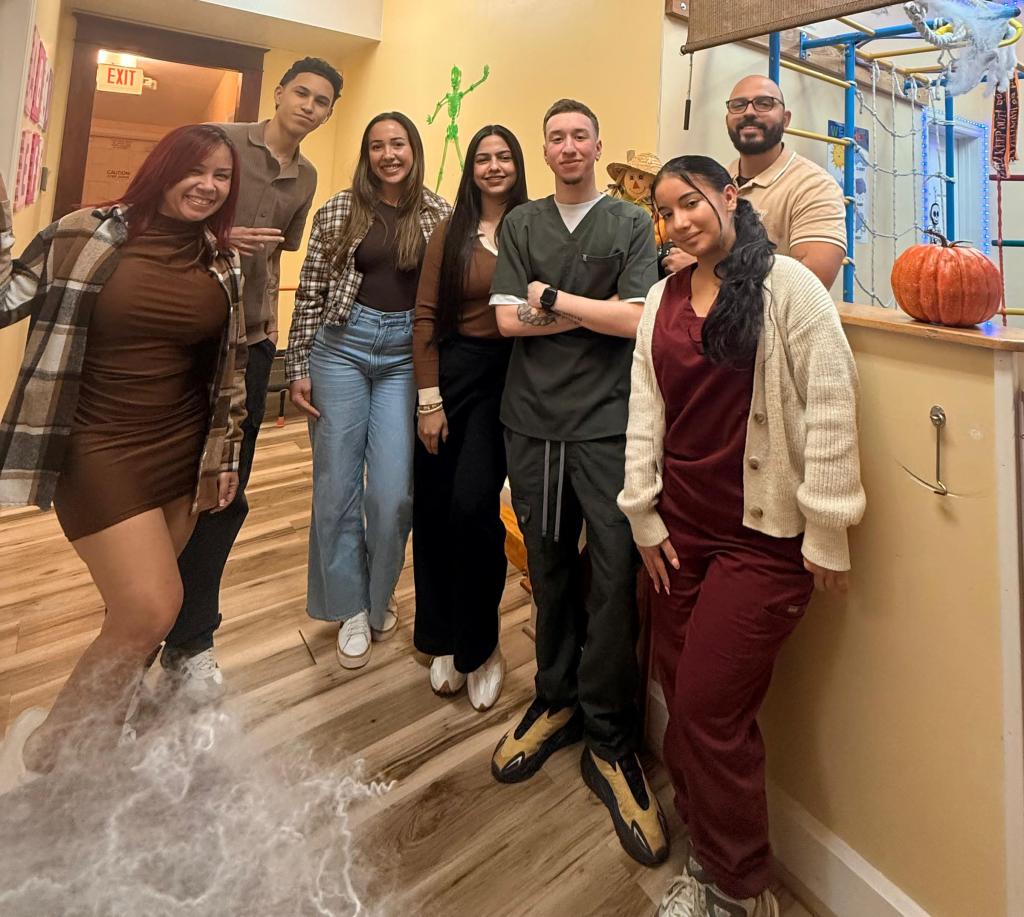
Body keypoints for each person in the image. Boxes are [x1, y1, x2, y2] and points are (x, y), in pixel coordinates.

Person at [619, 155, 865, 916]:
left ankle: (740, 887)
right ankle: (706, 851)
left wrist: (828, 525)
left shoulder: (786, 286)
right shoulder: (662, 297)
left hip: (762, 542)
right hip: (677, 538)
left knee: (705, 714)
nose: (679, 222)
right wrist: (641, 512)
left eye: (691, 203)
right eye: (665, 213)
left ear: (729, 198)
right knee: (679, 700)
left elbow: (831, 397)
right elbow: (645, 408)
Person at [0, 125, 248, 795]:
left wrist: (225, 454)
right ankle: (46, 755)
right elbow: (3, 299)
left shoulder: (222, 261)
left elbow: (228, 372)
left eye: (222, 176)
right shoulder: (84, 233)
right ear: (162, 168)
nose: (207, 186)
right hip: (97, 446)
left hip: (181, 450)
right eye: (195, 170)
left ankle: (100, 741)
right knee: (149, 608)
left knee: (138, 619)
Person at [487, 98, 668, 868]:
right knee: (549, 566)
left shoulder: (628, 223)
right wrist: (596, 312)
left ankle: (610, 734)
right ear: (546, 149)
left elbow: (638, 319)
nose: (567, 146)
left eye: (579, 136)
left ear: (597, 146)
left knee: (616, 576)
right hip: (532, 422)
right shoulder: (522, 223)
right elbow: (504, 321)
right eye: (555, 136)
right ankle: (554, 697)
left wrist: (554, 300)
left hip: (608, 422)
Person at [164, 57, 342, 702]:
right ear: (280, 92)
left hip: (254, 338)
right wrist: (218, 235)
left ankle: (191, 639)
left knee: (224, 488)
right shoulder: (218, 143)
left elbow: (278, 253)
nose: (309, 107)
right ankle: (141, 614)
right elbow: (161, 219)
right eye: (302, 93)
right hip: (192, 330)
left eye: (322, 102)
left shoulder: (307, 176)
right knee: (166, 478)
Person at [286, 112, 450, 670]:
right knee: (336, 488)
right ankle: (350, 607)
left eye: (397, 144)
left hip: (405, 356)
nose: (388, 155)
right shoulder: (339, 209)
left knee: (392, 494)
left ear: (414, 150)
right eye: (377, 146)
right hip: (341, 348)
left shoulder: (438, 214)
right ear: (366, 155)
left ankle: (379, 597)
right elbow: (310, 289)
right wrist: (297, 364)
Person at [411, 124, 528, 710]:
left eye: (504, 156)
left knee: (474, 507)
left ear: (518, 165)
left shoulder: (534, 225)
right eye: (484, 158)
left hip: (509, 379)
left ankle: (481, 647)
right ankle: (443, 637)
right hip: (451, 377)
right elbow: (425, 317)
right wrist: (428, 399)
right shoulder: (449, 231)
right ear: (471, 169)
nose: (494, 166)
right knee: (434, 509)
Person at [662, 75, 847, 290]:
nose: (749, 112)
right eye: (738, 105)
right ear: (728, 119)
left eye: (764, 103)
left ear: (785, 119)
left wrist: (706, 270)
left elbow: (811, 283)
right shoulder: (714, 181)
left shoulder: (815, 186)